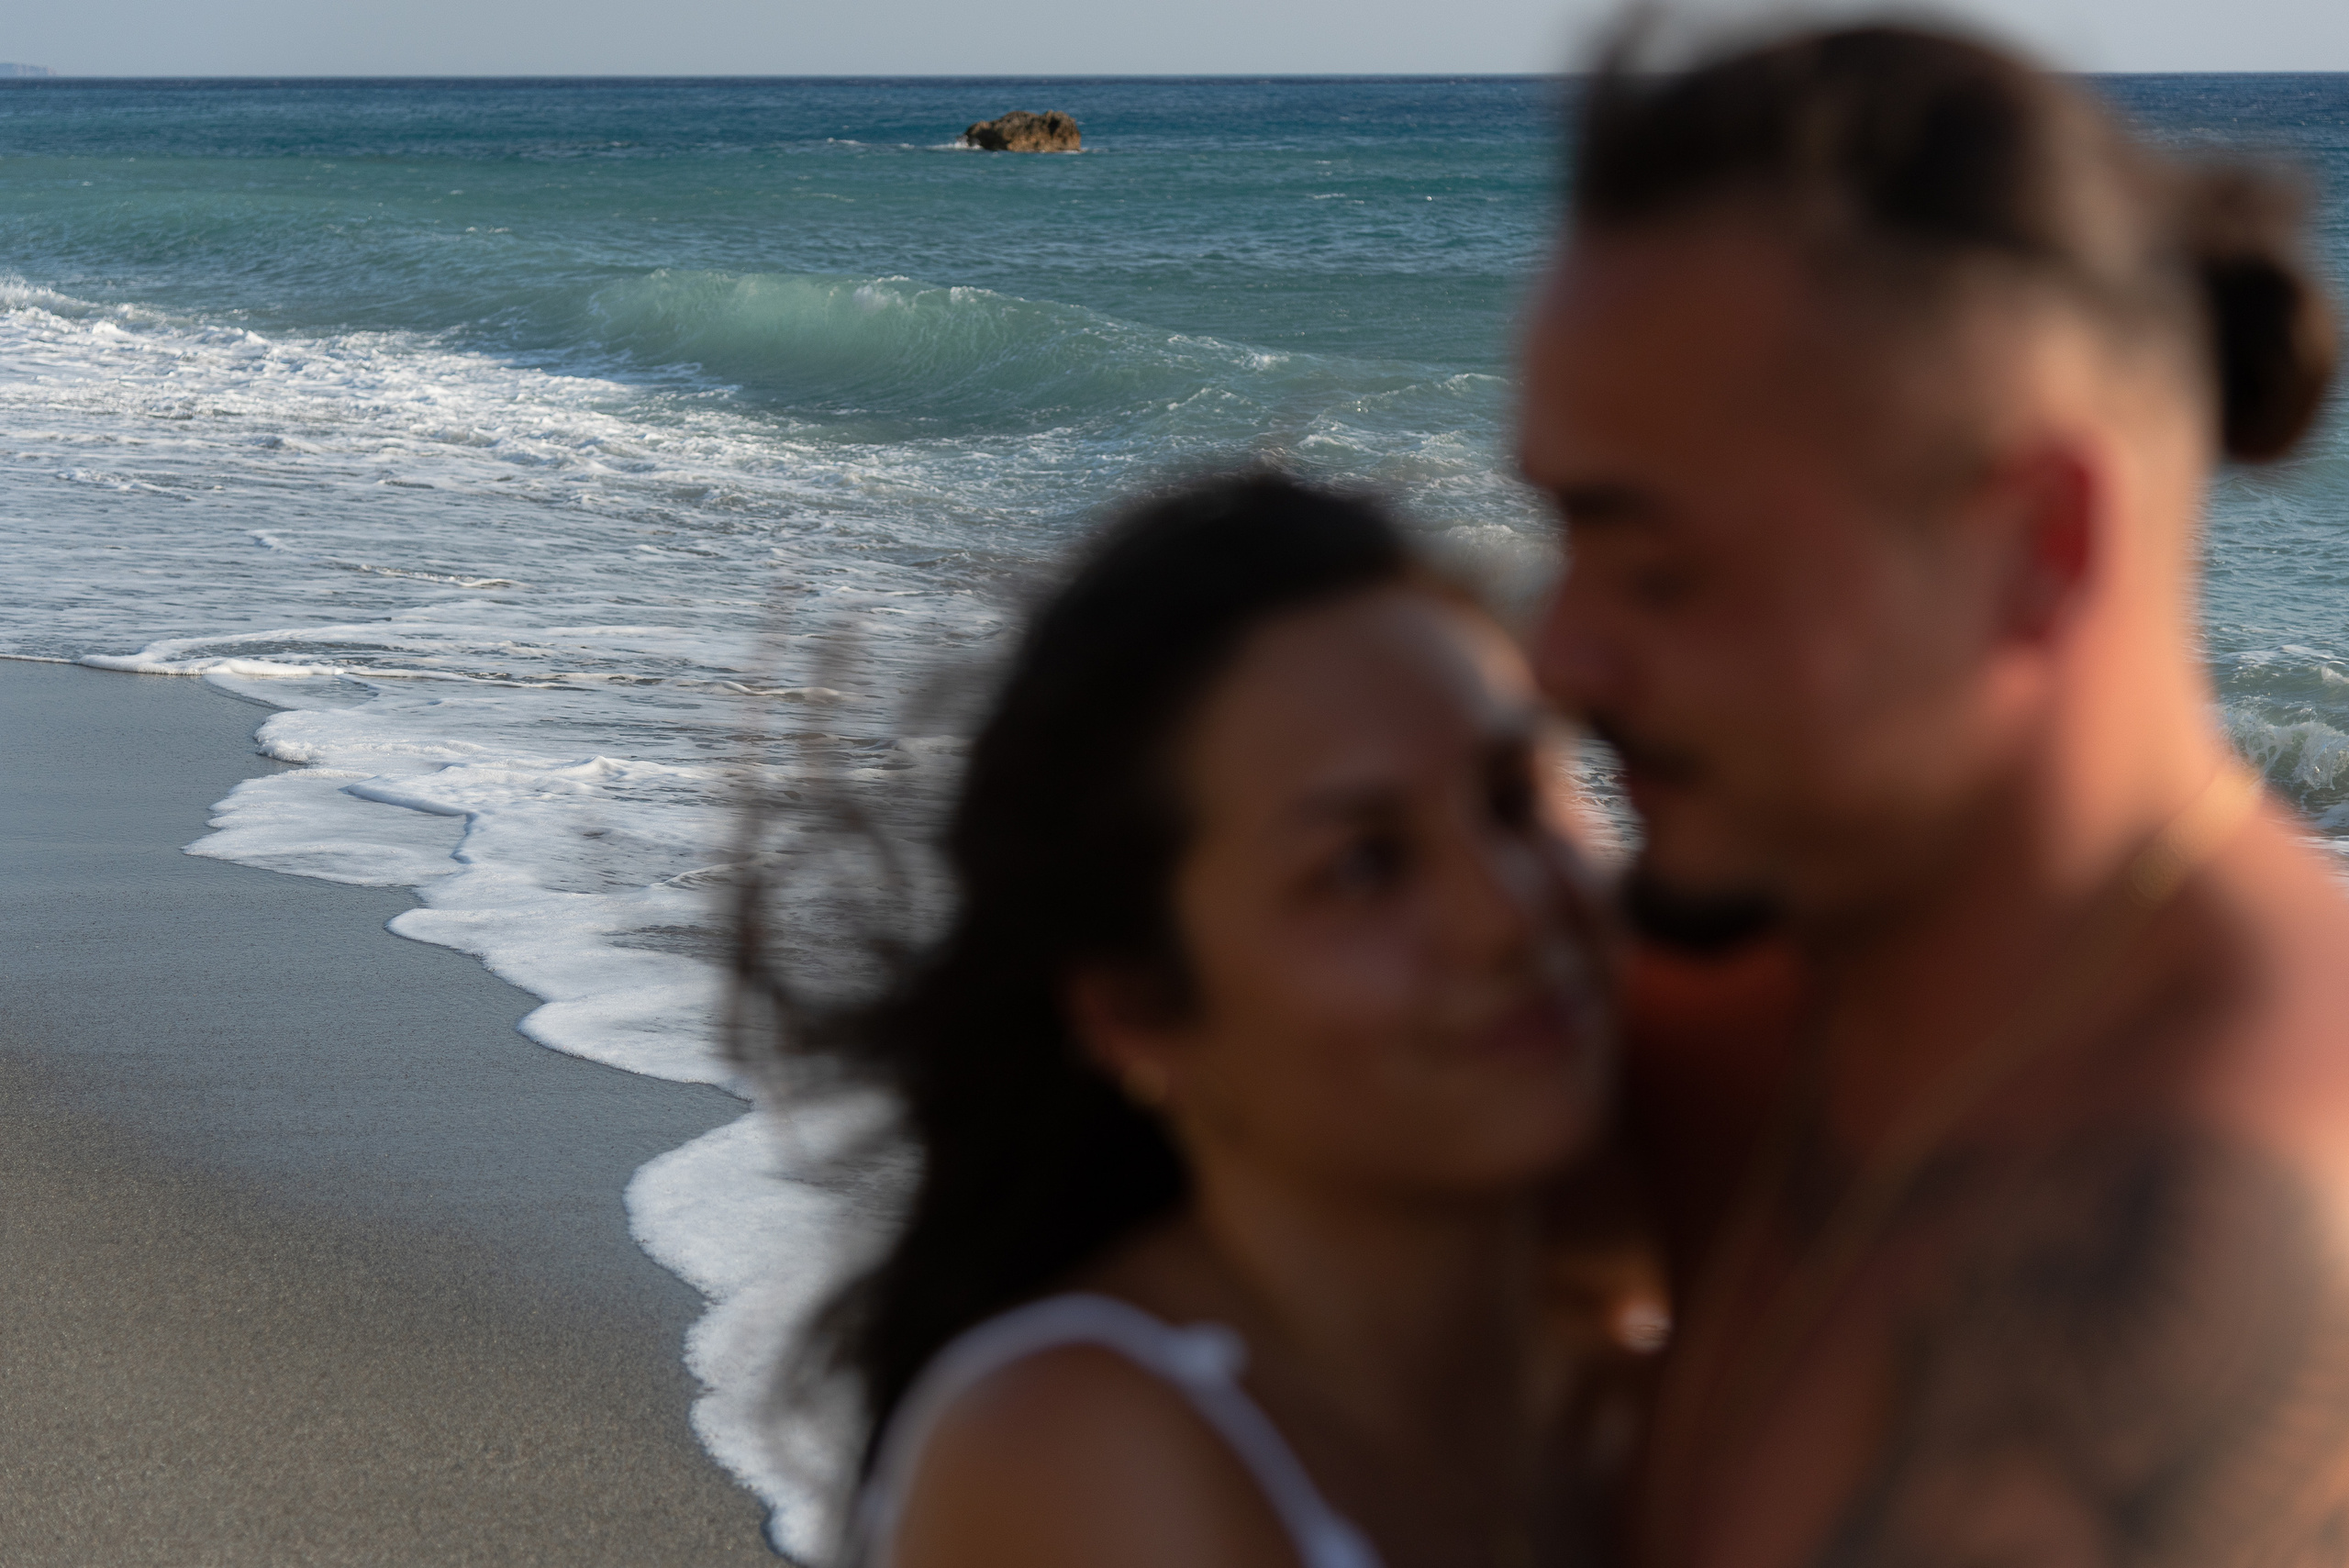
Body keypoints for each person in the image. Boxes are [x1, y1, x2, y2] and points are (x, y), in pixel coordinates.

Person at [1518, 23, 2348, 1568]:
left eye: (1658, 568)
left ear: (2035, 542)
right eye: (1560, 541)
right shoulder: (1762, 992)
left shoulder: (2212, 1210)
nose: (1556, 654)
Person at [747, 474, 1631, 1568]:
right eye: (1363, 865)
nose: (1509, 911)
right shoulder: (1069, 1455)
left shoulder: (1626, 1375)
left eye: (1514, 795)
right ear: (1135, 1009)